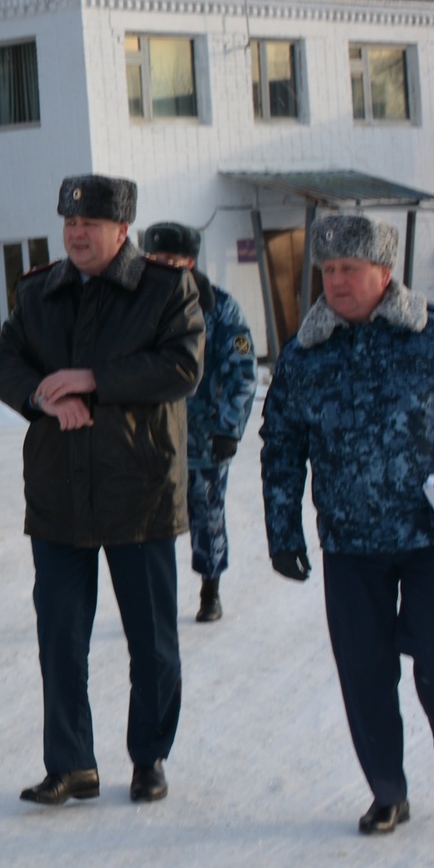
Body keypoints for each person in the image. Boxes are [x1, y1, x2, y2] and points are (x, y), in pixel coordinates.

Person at [259, 215, 434, 835]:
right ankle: (387, 791)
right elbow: (281, 443)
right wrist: (283, 530)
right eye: (327, 271)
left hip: (433, 537)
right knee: (364, 673)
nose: (337, 282)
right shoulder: (305, 354)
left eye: (349, 270)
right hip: (350, 544)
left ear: (385, 273)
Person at [0, 175, 204, 808]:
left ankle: (149, 756)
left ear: (122, 230)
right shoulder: (39, 291)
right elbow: (3, 358)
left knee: (152, 642)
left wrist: (92, 381)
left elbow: (182, 366)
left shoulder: (165, 289)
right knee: (60, 636)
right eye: (69, 224)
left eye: (91, 225)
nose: (77, 234)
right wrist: (43, 395)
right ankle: (71, 764)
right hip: (59, 491)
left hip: (138, 490)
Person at [136, 221, 257, 624]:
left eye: (171, 260)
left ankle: (210, 592)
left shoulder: (220, 308)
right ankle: (155, 599)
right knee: (150, 526)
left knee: (207, 518)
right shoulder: (136, 308)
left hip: (204, 439)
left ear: (189, 261)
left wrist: (229, 428)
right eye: (155, 259)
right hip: (151, 441)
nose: (162, 266)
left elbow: (242, 371)